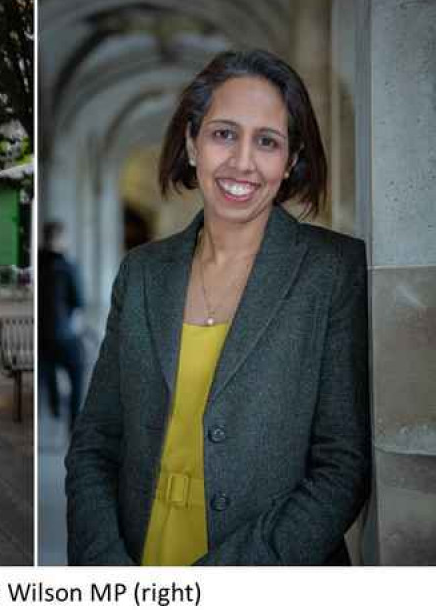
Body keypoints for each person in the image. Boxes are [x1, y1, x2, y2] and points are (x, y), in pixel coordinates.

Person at [66, 50, 370, 566]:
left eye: (267, 141)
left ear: (291, 159)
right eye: (224, 134)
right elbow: (96, 442)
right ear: (191, 143)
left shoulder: (332, 271)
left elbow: (342, 467)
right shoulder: (141, 273)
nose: (242, 162)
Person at [38, 221, 85, 430]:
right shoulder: (66, 266)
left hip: (40, 339)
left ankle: (54, 403)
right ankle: (73, 421)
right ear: (61, 239)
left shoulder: (38, 263)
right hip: (62, 336)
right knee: (79, 367)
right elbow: (79, 301)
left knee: (46, 365)